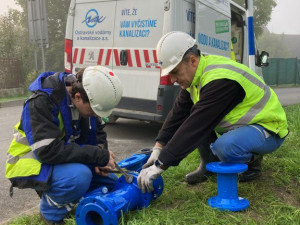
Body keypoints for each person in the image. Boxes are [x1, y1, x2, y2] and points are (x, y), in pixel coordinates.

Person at [137, 31, 288, 193]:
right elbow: (178, 113)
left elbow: (196, 126)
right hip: (244, 127)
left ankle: (253, 161)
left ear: (192, 61)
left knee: (224, 147)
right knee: (196, 117)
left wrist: (161, 164)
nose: (172, 80)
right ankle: (209, 165)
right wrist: (159, 146)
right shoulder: (197, 75)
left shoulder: (220, 80)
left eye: (174, 72)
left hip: (269, 129)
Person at [5, 66, 122, 224]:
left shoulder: (87, 100)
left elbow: (98, 132)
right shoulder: (41, 101)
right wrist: (96, 155)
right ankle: (49, 213)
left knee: (112, 182)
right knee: (80, 177)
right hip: (31, 162)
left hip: (58, 158)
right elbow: (47, 150)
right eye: (94, 111)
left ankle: (73, 198)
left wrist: (100, 157)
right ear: (78, 97)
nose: (96, 115)